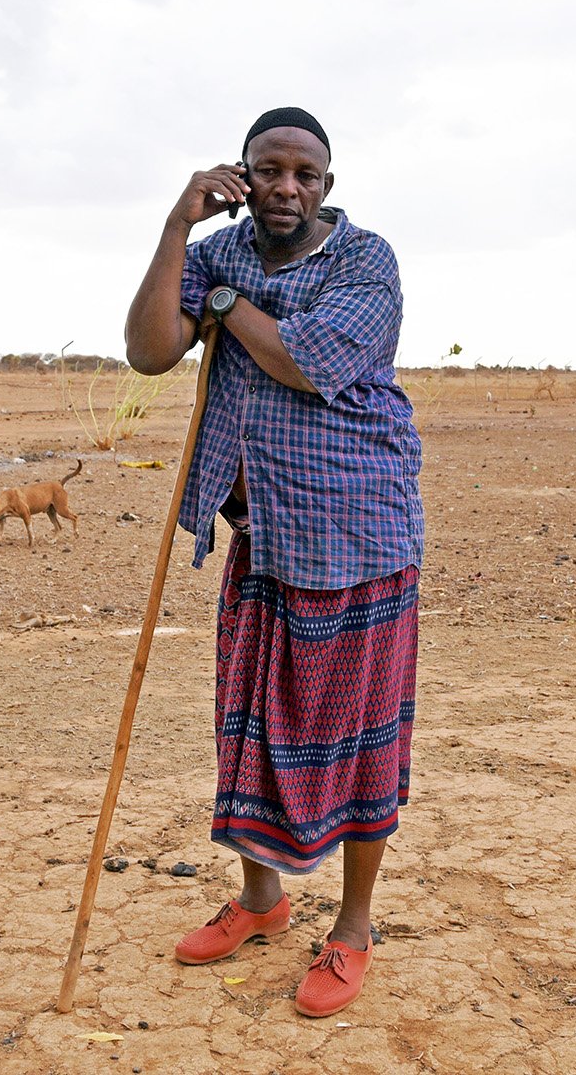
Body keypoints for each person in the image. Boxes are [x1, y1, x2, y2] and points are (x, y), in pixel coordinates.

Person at [124, 107, 424, 1018]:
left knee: (363, 736)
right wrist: (178, 226)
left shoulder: (366, 261)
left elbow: (305, 359)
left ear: (327, 185)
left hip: (359, 538)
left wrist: (223, 307)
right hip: (262, 542)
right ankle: (261, 901)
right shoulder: (215, 254)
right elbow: (147, 354)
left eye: (306, 173)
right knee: (247, 726)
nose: (286, 187)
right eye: (269, 171)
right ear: (241, 177)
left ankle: (354, 929)